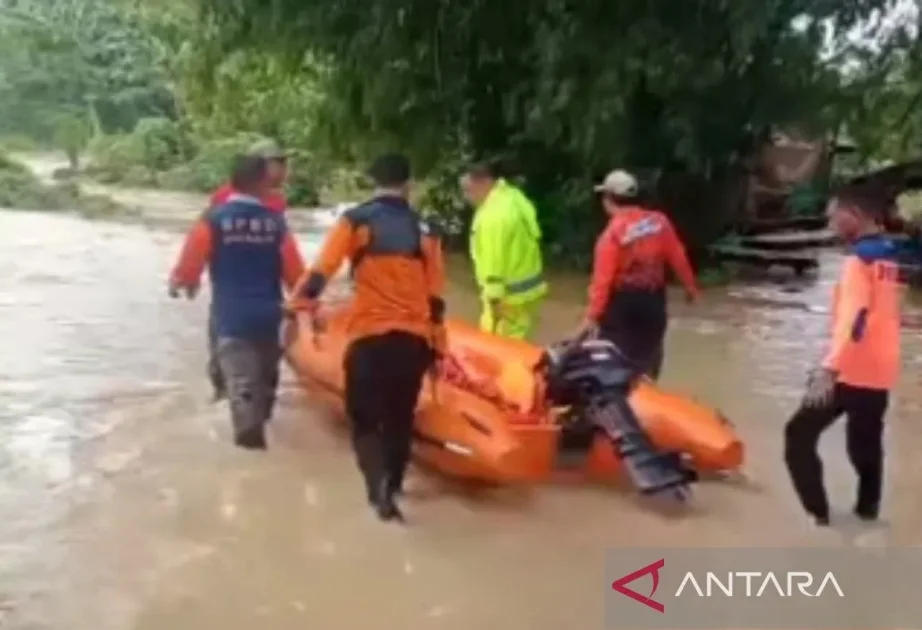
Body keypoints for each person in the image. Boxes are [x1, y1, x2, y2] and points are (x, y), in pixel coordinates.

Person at [289, 153, 446, 522]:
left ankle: (377, 492)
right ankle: (393, 486)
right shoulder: (428, 230)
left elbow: (321, 270)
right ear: (409, 183)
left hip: (370, 337)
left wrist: (299, 302)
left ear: (372, 181)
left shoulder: (355, 221)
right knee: (400, 418)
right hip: (414, 339)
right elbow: (436, 296)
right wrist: (439, 347)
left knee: (364, 421)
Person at [168, 154, 305, 450]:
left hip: (231, 319)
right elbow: (296, 276)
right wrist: (310, 310)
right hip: (271, 318)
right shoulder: (276, 225)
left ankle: (249, 461)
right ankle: (264, 453)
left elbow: (191, 263)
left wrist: (182, 281)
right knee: (266, 387)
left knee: (242, 389)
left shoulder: (213, 218)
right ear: (263, 183)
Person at [784, 185, 901, 527]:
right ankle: (868, 516)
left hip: (851, 369)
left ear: (855, 214)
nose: (830, 220)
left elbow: (854, 319)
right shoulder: (885, 255)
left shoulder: (858, 262)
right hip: (879, 369)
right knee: (864, 447)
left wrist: (828, 368)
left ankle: (819, 516)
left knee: (798, 435)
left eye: (834, 213)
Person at [573, 169, 698, 379]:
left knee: (614, 364)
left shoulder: (611, 236)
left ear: (608, 200)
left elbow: (602, 283)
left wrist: (589, 319)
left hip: (622, 307)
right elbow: (678, 256)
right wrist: (690, 287)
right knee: (648, 363)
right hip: (653, 303)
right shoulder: (660, 222)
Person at [197, 139, 290, 401]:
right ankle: (222, 392)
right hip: (231, 288)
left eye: (284, 163)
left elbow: (284, 247)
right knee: (224, 345)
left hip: (263, 288)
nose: (284, 170)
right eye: (278, 163)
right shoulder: (223, 199)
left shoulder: (277, 202)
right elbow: (203, 236)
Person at [461, 161, 547, 340]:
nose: (466, 197)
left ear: (483, 183)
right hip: (528, 291)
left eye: (468, 190)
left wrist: (494, 299)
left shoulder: (492, 216)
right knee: (520, 337)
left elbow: (493, 259)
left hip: (508, 296)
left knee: (497, 348)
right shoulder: (513, 197)